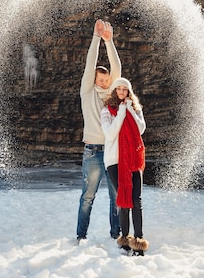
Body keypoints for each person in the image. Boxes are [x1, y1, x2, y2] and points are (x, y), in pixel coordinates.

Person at [76, 19, 121, 243]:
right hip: (92, 151)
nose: (103, 82)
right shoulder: (87, 93)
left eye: (106, 80)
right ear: (94, 80)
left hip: (113, 151)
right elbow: (89, 63)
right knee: (88, 197)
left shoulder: (112, 95)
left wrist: (109, 42)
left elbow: (117, 69)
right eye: (100, 79)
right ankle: (81, 235)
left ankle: (116, 235)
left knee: (116, 197)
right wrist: (96, 38)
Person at [101, 77, 148, 256]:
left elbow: (140, 129)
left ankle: (138, 240)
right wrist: (121, 110)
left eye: (125, 89)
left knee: (136, 200)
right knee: (124, 201)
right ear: (114, 91)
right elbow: (110, 133)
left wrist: (129, 108)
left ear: (129, 92)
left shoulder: (135, 108)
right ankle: (125, 240)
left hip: (134, 159)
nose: (121, 92)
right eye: (118, 89)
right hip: (115, 160)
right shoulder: (107, 110)